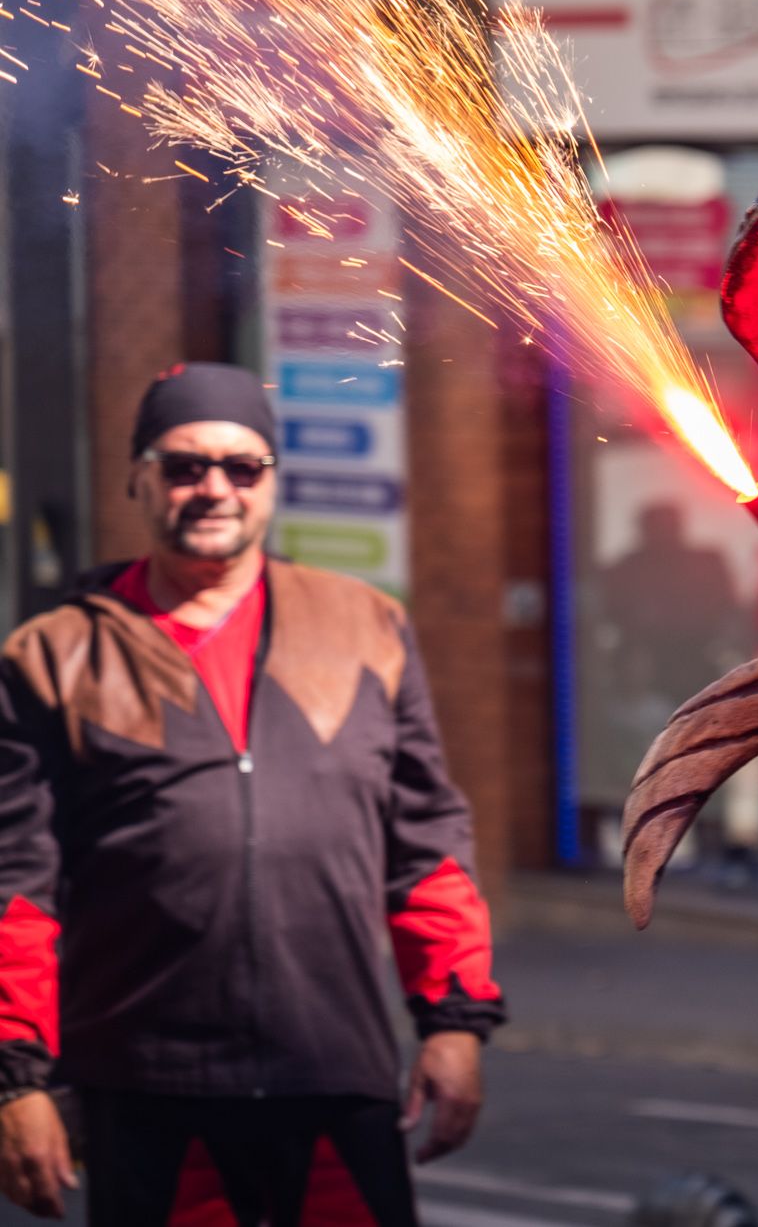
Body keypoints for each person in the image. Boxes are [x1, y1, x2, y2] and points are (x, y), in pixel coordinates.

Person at [0, 363, 505, 1223]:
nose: (214, 488)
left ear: (273, 479)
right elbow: (17, 888)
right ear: (137, 477)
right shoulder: (52, 653)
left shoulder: (364, 624)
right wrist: (17, 1079)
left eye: (243, 466)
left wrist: (453, 1020)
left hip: (332, 1071)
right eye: (183, 465)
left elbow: (424, 844)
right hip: (144, 1081)